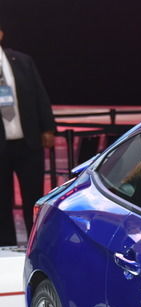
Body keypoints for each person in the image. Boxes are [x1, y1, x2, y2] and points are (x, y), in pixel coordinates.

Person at [0, 25, 56, 246]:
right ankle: (5, 246)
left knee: (34, 197)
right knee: (1, 201)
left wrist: (48, 128)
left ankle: (36, 244)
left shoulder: (22, 61)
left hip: (28, 142)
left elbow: (40, 95)